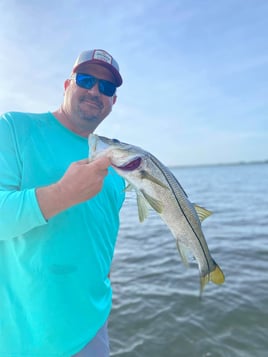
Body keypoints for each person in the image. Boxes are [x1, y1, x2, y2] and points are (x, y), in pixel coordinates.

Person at [0, 49, 125, 356]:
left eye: (106, 87)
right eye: (86, 80)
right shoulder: (14, 128)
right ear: (68, 84)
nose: (95, 91)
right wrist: (63, 193)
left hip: (93, 328)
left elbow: (102, 237)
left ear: (113, 101)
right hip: (23, 337)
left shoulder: (116, 166)